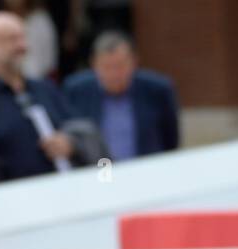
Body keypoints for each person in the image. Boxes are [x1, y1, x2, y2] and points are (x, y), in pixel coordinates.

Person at [0, 9, 77, 180]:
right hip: (6, 197)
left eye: (23, 37)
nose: (22, 46)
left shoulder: (45, 88)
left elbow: (77, 126)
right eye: (11, 39)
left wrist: (70, 142)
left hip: (61, 189)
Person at [62, 30, 178, 161]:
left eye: (120, 66)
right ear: (94, 65)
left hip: (144, 171)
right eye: (107, 67)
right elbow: (71, 134)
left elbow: (170, 140)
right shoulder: (76, 90)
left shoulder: (158, 90)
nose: (114, 74)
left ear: (134, 62)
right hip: (99, 172)